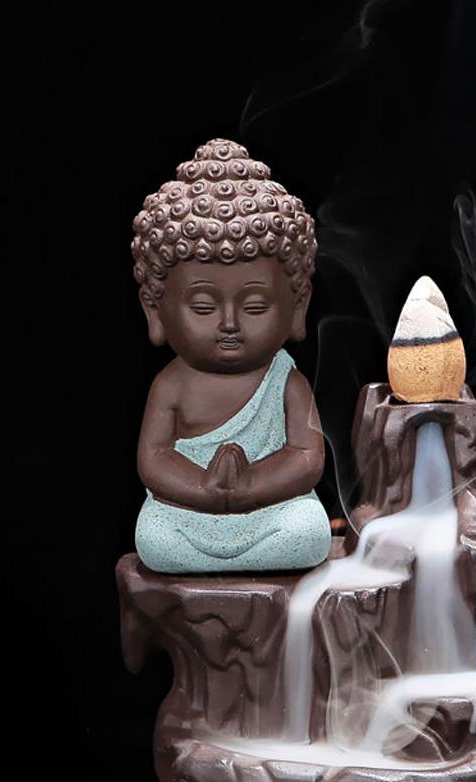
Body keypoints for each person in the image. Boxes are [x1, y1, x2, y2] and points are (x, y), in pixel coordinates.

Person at [130, 139, 332, 573]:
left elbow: (306, 455)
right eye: (203, 308)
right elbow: (154, 458)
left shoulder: (287, 382)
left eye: (255, 307)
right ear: (155, 310)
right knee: (154, 538)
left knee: (309, 532)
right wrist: (204, 487)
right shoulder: (172, 385)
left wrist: (250, 485)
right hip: (189, 512)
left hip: (269, 511)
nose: (229, 323)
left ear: (298, 307)